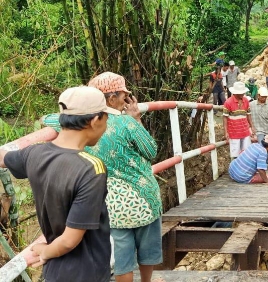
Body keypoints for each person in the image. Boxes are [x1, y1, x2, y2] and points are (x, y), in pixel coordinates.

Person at [43, 73, 162, 282]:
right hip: (144, 199)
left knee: (122, 257)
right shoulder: (127, 123)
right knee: (147, 249)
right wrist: (136, 118)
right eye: (124, 96)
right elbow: (151, 150)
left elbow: (49, 119)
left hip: (112, 204)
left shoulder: (82, 123)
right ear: (111, 98)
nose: (126, 101)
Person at [0, 86, 116, 282]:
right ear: (95, 120)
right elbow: (70, 240)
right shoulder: (91, 169)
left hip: (55, 272)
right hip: (87, 271)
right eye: (106, 118)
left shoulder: (34, 154)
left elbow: (4, 158)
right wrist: (45, 253)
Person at [223, 81, 257, 159]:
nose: (243, 94)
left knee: (246, 154)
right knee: (236, 155)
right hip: (234, 132)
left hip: (245, 131)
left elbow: (248, 115)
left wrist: (252, 127)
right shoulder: (228, 102)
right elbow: (225, 118)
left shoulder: (246, 101)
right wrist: (226, 132)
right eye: (241, 93)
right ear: (235, 93)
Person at [249, 87, 268, 164]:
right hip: (258, 130)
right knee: (262, 147)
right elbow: (248, 117)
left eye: (265, 97)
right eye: (262, 96)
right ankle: (261, 164)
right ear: (258, 96)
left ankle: (264, 162)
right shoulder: (251, 105)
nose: (264, 98)